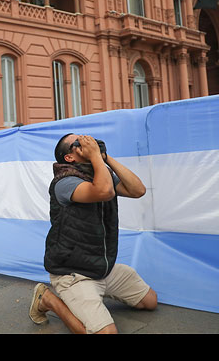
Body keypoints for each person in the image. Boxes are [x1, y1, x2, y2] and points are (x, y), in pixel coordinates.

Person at [29, 133, 157, 334]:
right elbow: (104, 191)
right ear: (69, 157)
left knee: (149, 301)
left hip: (100, 265)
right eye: (78, 143)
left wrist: (105, 158)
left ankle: (90, 299)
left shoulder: (99, 172)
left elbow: (137, 190)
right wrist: (96, 157)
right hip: (73, 272)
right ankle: (48, 299)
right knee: (106, 333)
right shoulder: (64, 182)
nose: (88, 143)